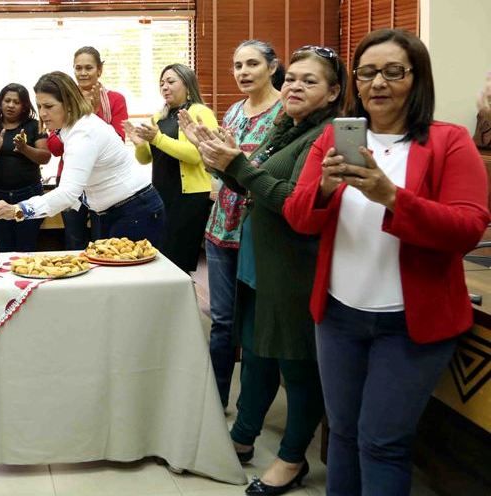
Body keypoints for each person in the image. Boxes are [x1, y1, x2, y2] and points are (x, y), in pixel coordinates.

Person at [283, 30, 490, 496]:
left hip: (410, 326)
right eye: (367, 72)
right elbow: (298, 217)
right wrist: (323, 189)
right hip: (337, 318)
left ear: (417, 79)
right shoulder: (334, 140)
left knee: (382, 443)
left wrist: (392, 197)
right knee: (343, 433)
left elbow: (467, 227)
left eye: (393, 71)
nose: (378, 82)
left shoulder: (448, 141)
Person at [186, 45, 347, 494]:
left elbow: (293, 202)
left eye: (309, 81)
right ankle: (240, 439)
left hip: (294, 267)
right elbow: (252, 183)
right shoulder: (287, 126)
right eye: (292, 78)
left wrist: (237, 165)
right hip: (259, 261)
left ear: (334, 93)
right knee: (255, 355)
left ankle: (292, 458)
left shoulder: (329, 134)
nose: (295, 86)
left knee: (297, 367)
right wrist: (221, 159)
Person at [196, 40, 285, 408]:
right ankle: (216, 403)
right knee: (221, 322)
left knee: (255, 329)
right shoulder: (233, 110)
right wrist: (204, 151)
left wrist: (230, 160)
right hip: (221, 228)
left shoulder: (285, 111)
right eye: (237, 65)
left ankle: (250, 409)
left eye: (252, 64)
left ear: (273, 67)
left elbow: (268, 170)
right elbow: (217, 166)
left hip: (258, 229)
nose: (243, 72)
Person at [0, 72, 164, 249]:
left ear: (69, 103)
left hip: (134, 211)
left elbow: (67, 193)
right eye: (39, 106)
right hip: (115, 210)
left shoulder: (83, 133)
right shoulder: (72, 127)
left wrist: (19, 210)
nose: (42, 113)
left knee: (129, 276)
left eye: (49, 106)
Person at [126, 63, 215, 273]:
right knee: (162, 255)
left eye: (171, 81)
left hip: (190, 196)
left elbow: (196, 155)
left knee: (179, 259)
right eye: (162, 83)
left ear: (187, 84)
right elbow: (146, 158)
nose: (165, 87)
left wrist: (157, 138)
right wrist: (139, 143)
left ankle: (182, 302)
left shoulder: (200, 112)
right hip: (162, 193)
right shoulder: (159, 117)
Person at [57, 46, 129, 250]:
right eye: (78, 68)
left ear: (100, 70)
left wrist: (94, 113)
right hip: (72, 180)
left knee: (104, 240)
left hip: (104, 181)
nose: (83, 73)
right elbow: (54, 147)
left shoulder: (116, 100)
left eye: (88, 67)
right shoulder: (64, 101)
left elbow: (117, 141)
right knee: (74, 240)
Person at [0, 83, 50, 252]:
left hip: (29, 195)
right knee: (3, 247)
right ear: (0, 103)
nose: (10, 105)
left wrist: (24, 148)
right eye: (7, 100)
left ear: (24, 106)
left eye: (16, 102)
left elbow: (45, 157)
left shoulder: (33, 125)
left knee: (27, 246)